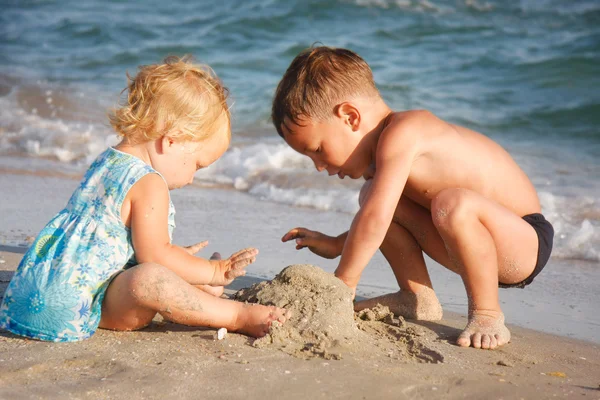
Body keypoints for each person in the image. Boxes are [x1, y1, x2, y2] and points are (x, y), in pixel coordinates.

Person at [273, 46, 553, 350]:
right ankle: (416, 297)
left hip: (522, 241)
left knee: (451, 204)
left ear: (350, 117)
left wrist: (343, 286)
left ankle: (487, 313)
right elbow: (378, 217)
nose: (318, 166)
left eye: (317, 149)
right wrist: (336, 244)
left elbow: (375, 219)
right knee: (373, 195)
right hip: (469, 246)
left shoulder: (404, 133)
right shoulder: (381, 160)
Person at [0, 55, 289, 342]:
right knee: (151, 279)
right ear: (172, 140)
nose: (192, 178)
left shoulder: (107, 161)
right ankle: (236, 315)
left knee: (164, 267)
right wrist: (216, 271)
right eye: (198, 165)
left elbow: (106, 242)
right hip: (84, 307)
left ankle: (201, 283)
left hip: (31, 299)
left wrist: (176, 257)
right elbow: (153, 257)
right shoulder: (149, 182)